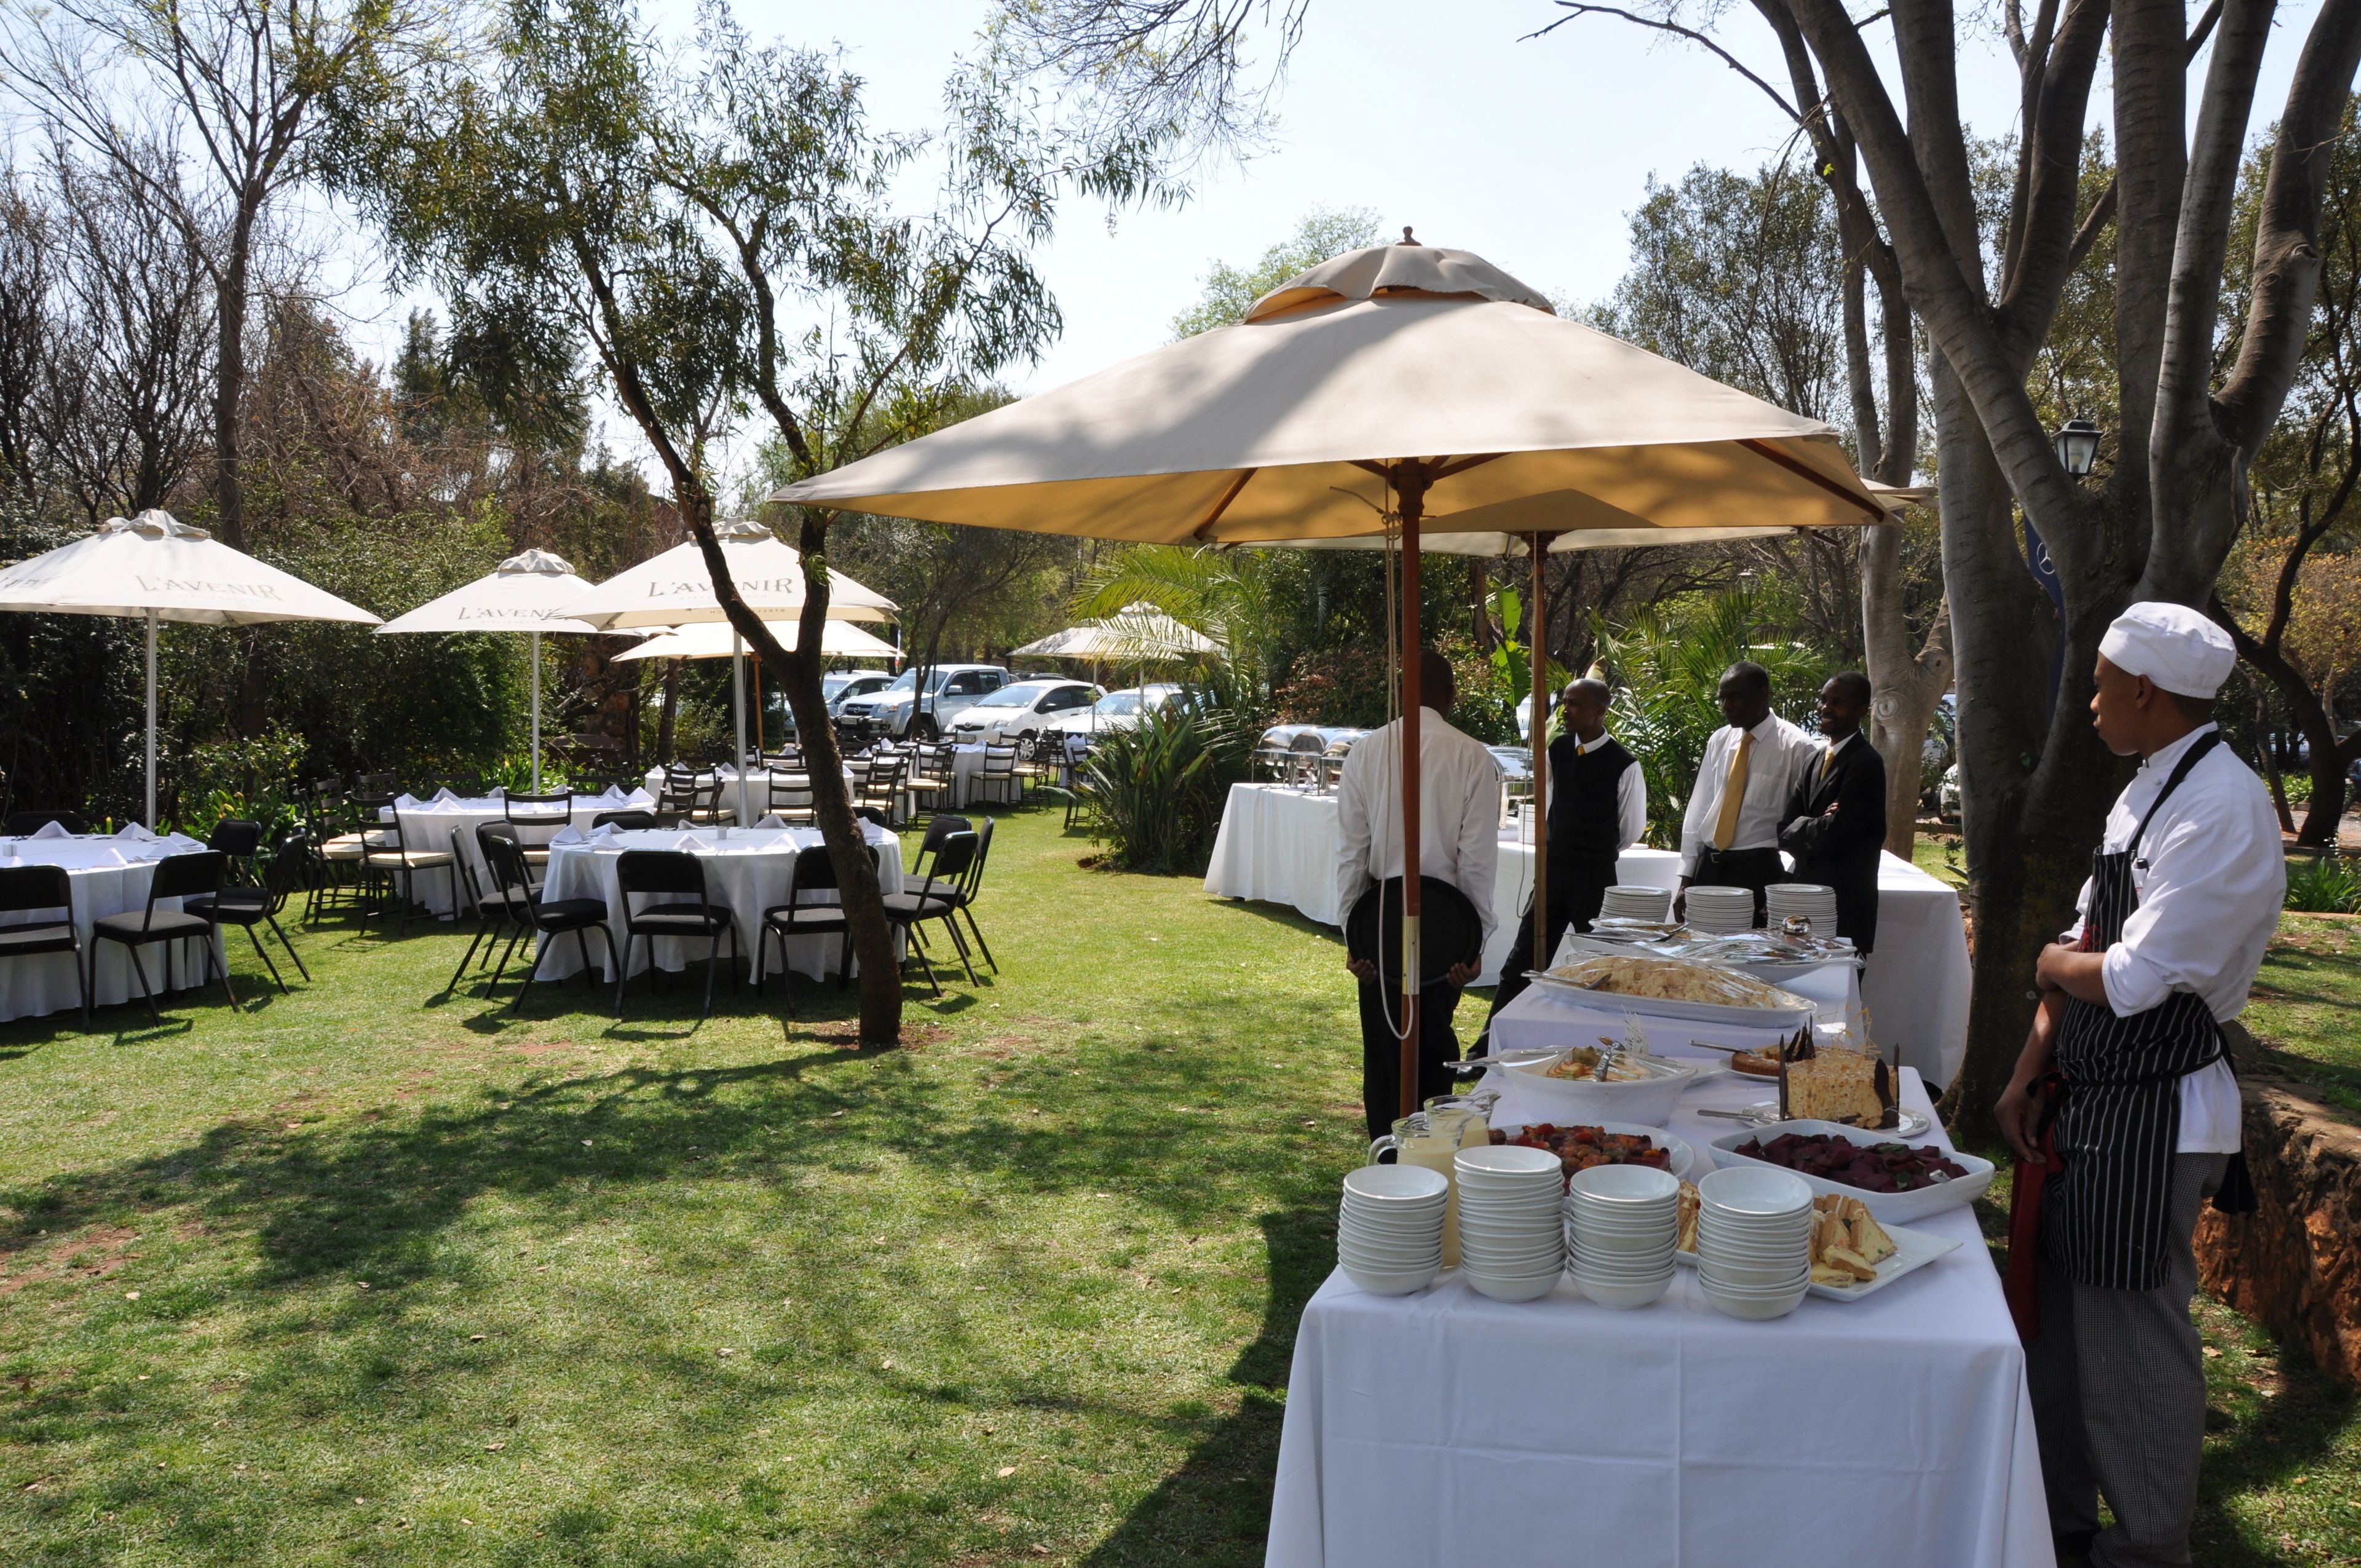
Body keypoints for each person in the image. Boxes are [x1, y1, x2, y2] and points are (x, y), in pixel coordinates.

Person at [1994, 602, 2277, 1568]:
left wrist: (2046, 963)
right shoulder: (2147, 789)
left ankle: (2150, 1545)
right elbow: (2087, 940)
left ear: (2147, 691)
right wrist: (2028, 1071)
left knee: (2133, 1343)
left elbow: (2130, 975)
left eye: (2101, 684)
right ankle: (2059, 1520)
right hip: (2093, 1098)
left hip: (2157, 1111)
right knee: (2064, 1335)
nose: (2090, 702)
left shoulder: (2223, 805)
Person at [1335, 649, 1500, 1139]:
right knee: (1432, 1046)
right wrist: (1475, 943)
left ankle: (1389, 1151)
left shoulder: (1366, 751)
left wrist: (1353, 936)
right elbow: (1476, 863)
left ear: (1403, 692)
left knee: (1384, 1054)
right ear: (1451, 695)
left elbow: (1352, 854)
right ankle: (1428, 1149)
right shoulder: (1473, 756)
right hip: (1446, 927)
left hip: (1380, 922)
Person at [1482, 676, 1645, 1021]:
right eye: (1565, 702)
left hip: (1595, 876)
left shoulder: (1624, 764)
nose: (1565, 710)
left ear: (1599, 711)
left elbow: (1630, 827)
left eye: (1574, 704)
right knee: (1523, 957)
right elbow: (1547, 805)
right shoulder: (1557, 750)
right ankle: (1491, 1039)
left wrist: (1593, 849)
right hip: (1553, 871)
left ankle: (1595, 1032)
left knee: (1599, 963)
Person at [1676, 660, 1814, 925]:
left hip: (1757, 872)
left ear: (1763, 694)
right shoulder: (1719, 740)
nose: (1726, 706)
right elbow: (1699, 810)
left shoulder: (1797, 747)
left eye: (1736, 697)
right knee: (1700, 946)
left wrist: (1787, 881)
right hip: (1709, 869)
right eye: (1723, 698)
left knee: (1751, 949)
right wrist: (1686, 877)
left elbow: (1808, 826)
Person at [1776, 671, 1888, 953]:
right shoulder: (1813, 760)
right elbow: (1784, 830)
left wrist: (1809, 826)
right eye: (1823, 699)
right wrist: (1816, 823)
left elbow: (1836, 835)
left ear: (1861, 710)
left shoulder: (1867, 763)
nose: (1825, 707)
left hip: (1844, 910)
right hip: (1805, 905)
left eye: (1837, 702)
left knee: (1842, 982)